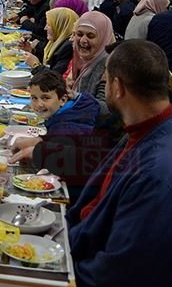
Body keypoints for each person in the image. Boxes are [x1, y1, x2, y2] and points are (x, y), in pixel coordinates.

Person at [66, 40, 172, 287]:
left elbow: (114, 279)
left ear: (117, 87)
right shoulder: (161, 130)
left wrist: (53, 273)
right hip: (91, 254)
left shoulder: (159, 177)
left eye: (106, 79)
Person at [9, 70, 102, 199]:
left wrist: (40, 149)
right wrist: (41, 140)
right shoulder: (72, 112)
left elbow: (64, 148)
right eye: (34, 98)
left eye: (45, 98)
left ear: (63, 99)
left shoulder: (68, 126)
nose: (38, 104)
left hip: (79, 193)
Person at [69, 11, 115, 108]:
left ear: (104, 38)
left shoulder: (108, 65)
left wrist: (73, 96)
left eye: (90, 36)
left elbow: (105, 109)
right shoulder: (81, 60)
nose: (83, 41)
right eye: (80, 34)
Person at [23, 8, 78, 75]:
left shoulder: (68, 47)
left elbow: (54, 77)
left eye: (49, 25)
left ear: (59, 26)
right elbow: (49, 64)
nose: (45, 28)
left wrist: (35, 65)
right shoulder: (56, 42)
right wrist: (31, 50)